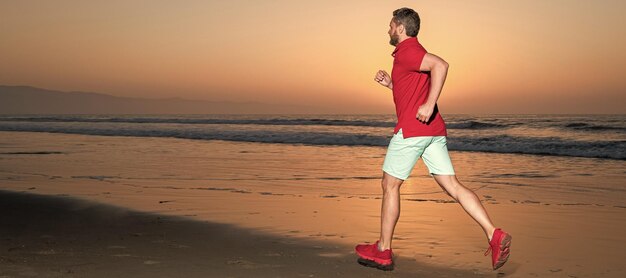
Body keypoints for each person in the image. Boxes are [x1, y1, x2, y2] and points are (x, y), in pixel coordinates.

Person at [354, 7, 512, 271]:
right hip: (432, 131)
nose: (389, 29)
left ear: (401, 28)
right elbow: (413, 87)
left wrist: (429, 103)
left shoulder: (409, 51)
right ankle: (493, 234)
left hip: (413, 130)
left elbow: (441, 65)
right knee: (451, 184)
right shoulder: (408, 54)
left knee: (389, 185)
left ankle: (383, 249)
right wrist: (392, 85)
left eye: (391, 25)